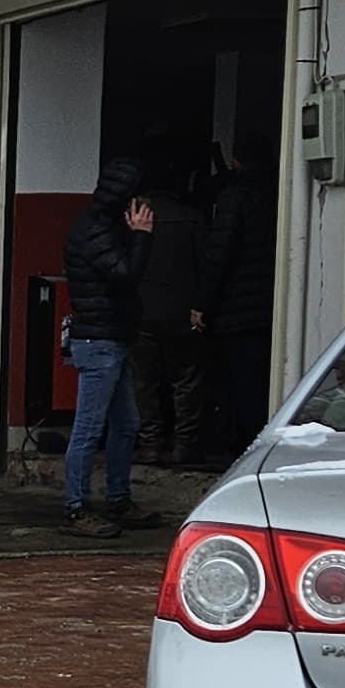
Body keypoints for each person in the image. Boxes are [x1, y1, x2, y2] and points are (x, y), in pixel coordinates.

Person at [58, 160, 154, 537]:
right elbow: (127, 274)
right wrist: (143, 235)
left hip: (110, 337)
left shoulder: (100, 225)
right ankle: (76, 507)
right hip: (99, 341)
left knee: (125, 424)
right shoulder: (96, 231)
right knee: (88, 428)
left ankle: (118, 498)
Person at [198, 134, 276, 456]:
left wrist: (202, 304)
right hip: (268, 306)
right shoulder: (279, 189)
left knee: (238, 385)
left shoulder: (234, 196)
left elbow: (220, 254)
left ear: (236, 161)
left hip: (236, 310)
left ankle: (242, 452)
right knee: (259, 383)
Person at [133, 163, 211, 466]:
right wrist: (200, 304)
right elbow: (206, 263)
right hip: (181, 310)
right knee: (187, 381)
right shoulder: (192, 217)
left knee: (144, 382)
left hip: (142, 309)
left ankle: (150, 444)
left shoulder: (137, 216)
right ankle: (185, 445)